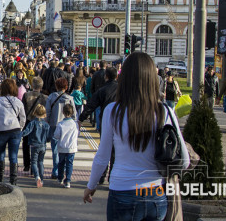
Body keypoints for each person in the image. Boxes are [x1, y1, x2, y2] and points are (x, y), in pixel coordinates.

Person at [83, 52, 189, 221]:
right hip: (156, 193)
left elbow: (102, 156)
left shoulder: (113, 110)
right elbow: (184, 161)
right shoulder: (165, 111)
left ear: (124, 78)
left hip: (122, 190)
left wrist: (91, 185)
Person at [0, 78, 26, 185]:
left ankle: (0, 177)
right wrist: (20, 128)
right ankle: (13, 180)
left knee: (1, 154)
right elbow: (23, 118)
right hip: (15, 130)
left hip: (1, 130)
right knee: (13, 155)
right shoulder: (18, 102)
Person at [46, 77, 77, 180]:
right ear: (66, 86)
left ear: (56, 86)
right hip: (67, 125)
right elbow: (74, 114)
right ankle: (63, 170)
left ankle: (55, 170)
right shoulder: (70, 98)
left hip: (54, 124)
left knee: (55, 150)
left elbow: (48, 112)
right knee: (66, 149)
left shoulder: (51, 97)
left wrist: (49, 122)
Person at [21, 76, 47, 172]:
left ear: (32, 85)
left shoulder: (26, 95)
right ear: (41, 86)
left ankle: (26, 164)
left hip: (28, 121)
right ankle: (35, 166)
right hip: (39, 122)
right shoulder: (45, 97)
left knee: (26, 143)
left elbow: (23, 110)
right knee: (37, 143)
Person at [20, 104, 50, 188]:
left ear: (35, 112)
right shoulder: (46, 125)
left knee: (33, 162)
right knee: (40, 162)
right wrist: (47, 140)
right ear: (44, 114)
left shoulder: (32, 123)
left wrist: (19, 134)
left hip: (34, 145)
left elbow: (26, 132)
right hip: (43, 145)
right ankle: (42, 178)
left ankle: (37, 176)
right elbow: (48, 136)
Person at [54, 103, 78, 188]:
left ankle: (60, 178)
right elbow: (77, 133)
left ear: (63, 112)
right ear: (72, 113)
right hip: (72, 147)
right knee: (69, 164)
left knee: (61, 163)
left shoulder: (60, 124)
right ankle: (68, 180)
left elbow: (56, 135)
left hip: (62, 147)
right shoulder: (75, 124)